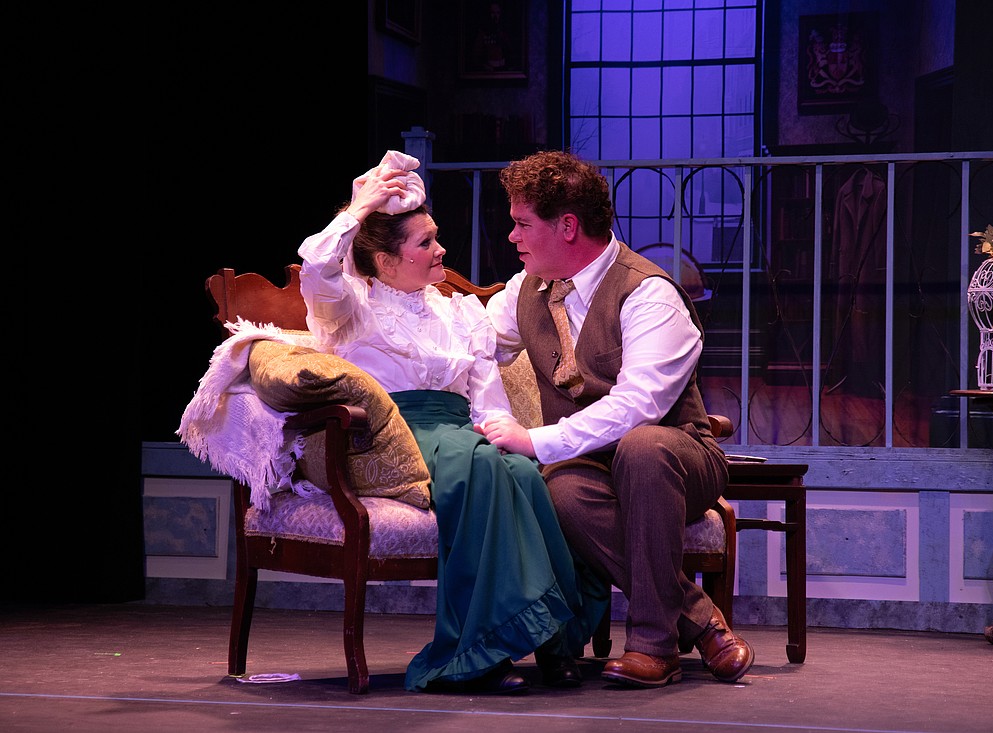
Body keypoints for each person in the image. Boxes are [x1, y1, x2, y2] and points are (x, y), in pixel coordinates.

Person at [296, 150, 603, 695]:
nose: (441, 249)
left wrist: (503, 431)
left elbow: (484, 394)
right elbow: (317, 267)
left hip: (458, 431)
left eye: (436, 237)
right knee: (477, 465)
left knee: (521, 472)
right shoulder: (350, 309)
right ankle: (479, 650)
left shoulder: (459, 311)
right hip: (391, 432)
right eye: (425, 243)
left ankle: (554, 640)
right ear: (387, 261)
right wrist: (359, 209)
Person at [478, 150, 755, 688]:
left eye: (522, 224)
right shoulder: (523, 291)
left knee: (643, 447)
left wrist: (535, 439)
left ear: (567, 226)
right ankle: (700, 620)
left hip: (677, 458)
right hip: (590, 465)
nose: (512, 237)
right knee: (560, 494)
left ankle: (654, 646)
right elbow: (472, 349)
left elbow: (638, 406)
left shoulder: (649, 294)